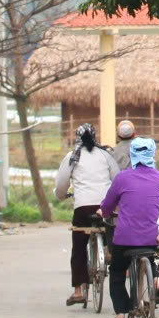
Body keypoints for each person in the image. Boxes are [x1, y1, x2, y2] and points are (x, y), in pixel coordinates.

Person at [100, 137, 159, 318]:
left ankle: (121, 313)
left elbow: (107, 206)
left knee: (117, 272)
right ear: (153, 154)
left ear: (132, 155)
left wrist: (104, 212)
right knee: (153, 255)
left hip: (125, 238)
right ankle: (156, 278)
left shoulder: (122, 178)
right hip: (151, 236)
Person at [53, 125, 120, 305]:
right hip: (105, 205)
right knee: (109, 227)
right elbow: (117, 178)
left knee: (79, 246)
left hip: (83, 207)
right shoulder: (105, 155)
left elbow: (61, 185)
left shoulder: (72, 157)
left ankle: (78, 290)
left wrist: (60, 196)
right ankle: (107, 250)